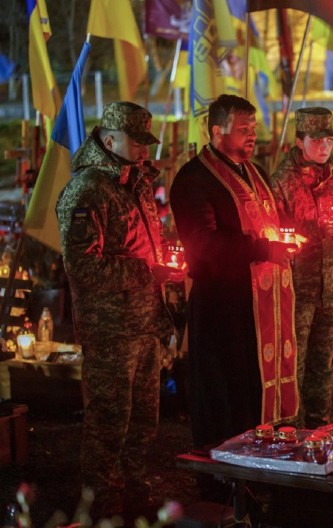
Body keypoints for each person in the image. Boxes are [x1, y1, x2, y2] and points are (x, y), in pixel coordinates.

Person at [56, 101, 184, 519]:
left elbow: (149, 240)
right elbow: (83, 265)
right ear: (110, 140)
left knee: (144, 420)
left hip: (144, 321)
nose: (145, 150)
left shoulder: (137, 183)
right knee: (108, 421)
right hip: (109, 327)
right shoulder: (87, 189)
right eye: (138, 141)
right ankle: (102, 503)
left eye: (148, 141)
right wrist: (147, 270)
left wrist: (165, 266)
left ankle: (133, 490)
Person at [169, 94, 298, 451]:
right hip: (221, 306)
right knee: (223, 396)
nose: (251, 135)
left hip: (258, 307)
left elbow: (268, 224)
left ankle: (256, 471)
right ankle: (220, 481)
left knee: (251, 393)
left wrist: (286, 240)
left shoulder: (253, 172)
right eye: (243, 129)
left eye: (253, 128)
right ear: (216, 130)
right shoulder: (194, 179)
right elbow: (204, 244)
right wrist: (264, 249)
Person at [270, 107, 333, 428]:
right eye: (316, 140)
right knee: (291, 365)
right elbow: (268, 234)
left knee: (323, 364)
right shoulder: (281, 183)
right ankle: (288, 432)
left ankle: (318, 427)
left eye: (328, 139)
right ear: (300, 141)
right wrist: (291, 242)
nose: (324, 146)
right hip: (296, 288)